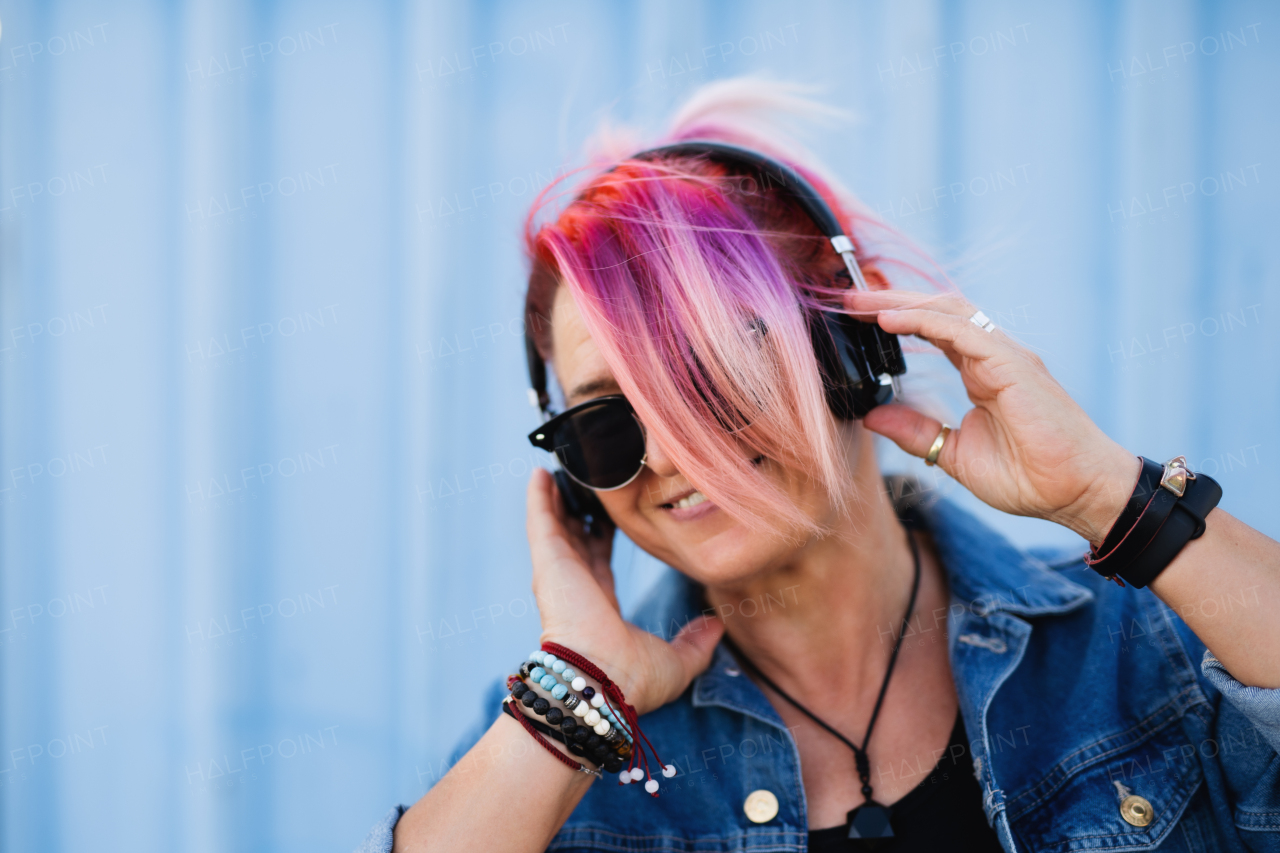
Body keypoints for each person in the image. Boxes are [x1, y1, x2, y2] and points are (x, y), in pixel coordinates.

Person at [361, 80, 1280, 853]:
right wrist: (579, 698)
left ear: (849, 348)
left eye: (711, 372)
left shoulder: (1137, 641)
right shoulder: (563, 738)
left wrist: (1107, 497)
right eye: (606, 423)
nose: (678, 449)